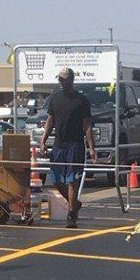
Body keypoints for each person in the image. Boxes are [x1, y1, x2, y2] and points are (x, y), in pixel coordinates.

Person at [40, 67, 96, 227]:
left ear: (71, 80)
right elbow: (50, 120)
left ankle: (72, 215)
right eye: (60, 79)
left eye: (64, 79)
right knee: (56, 180)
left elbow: (87, 125)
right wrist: (43, 140)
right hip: (59, 144)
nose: (61, 82)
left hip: (75, 144)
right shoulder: (55, 98)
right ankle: (74, 203)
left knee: (72, 181)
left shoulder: (81, 101)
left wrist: (91, 148)